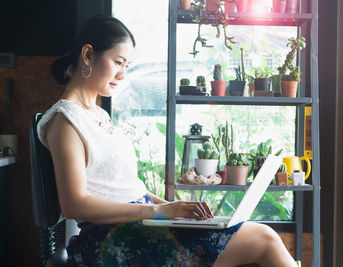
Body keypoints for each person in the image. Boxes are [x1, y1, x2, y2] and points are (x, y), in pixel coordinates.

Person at [38, 14, 297, 267]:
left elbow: (129, 189)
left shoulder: (98, 114)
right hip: (115, 239)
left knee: (253, 244)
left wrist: (176, 208)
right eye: (118, 62)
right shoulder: (65, 121)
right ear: (88, 55)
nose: (122, 74)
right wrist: (157, 212)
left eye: (126, 66)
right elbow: (74, 204)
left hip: (141, 226)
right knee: (265, 240)